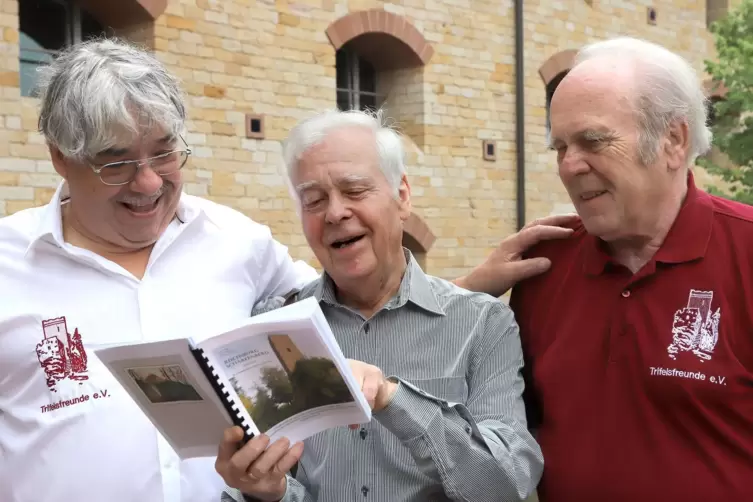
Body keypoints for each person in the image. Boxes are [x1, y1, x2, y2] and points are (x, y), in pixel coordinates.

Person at [0, 38, 572, 502]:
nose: (149, 182)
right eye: (116, 162)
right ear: (60, 157)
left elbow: (363, 292)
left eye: (164, 152)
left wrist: (465, 293)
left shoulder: (236, 245)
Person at [215, 109, 545, 502]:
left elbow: (505, 486)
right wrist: (267, 491)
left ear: (401, 195)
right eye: (314, 200)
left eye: (354, 190)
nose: (335, 212)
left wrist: (393, 399)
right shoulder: (277, 333)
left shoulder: (483, 323)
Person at [509, 37, 753, 502]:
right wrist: (467, 291)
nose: (569, 165)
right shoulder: (541, 269)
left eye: (593, 141)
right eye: (559, 146)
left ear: (673, 140)